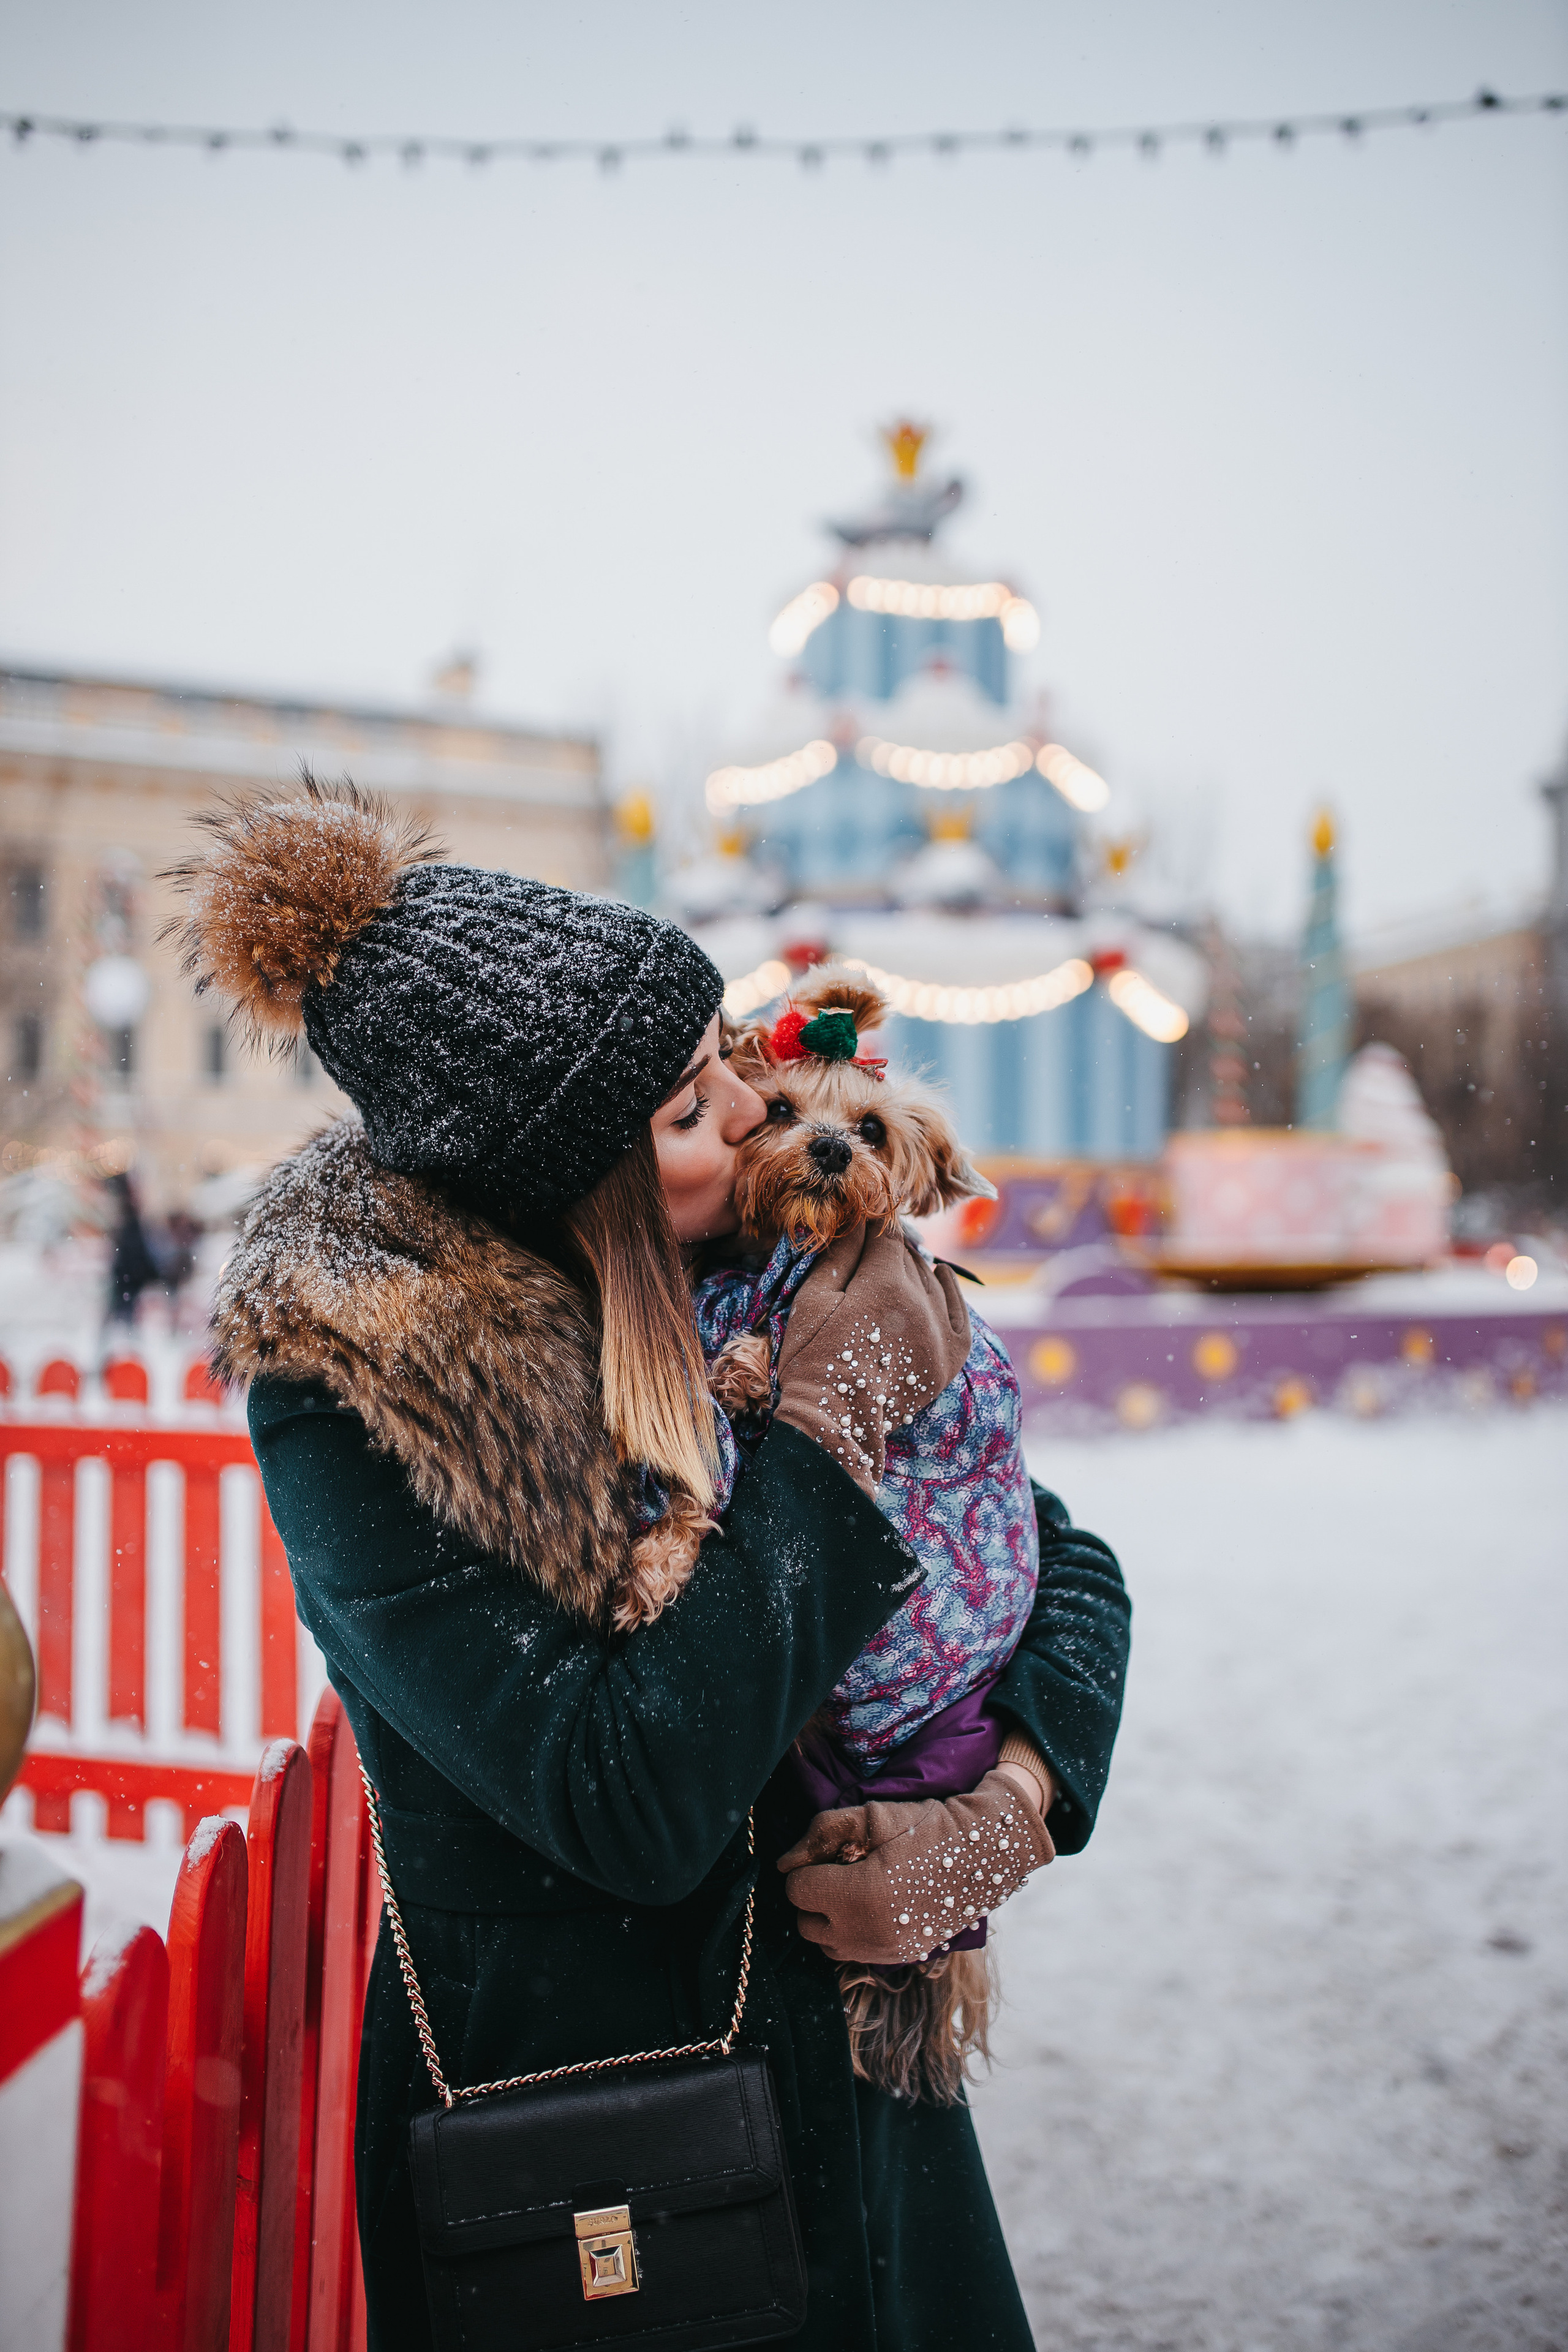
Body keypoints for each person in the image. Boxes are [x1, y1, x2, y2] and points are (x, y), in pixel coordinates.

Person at [169, 779, 1131, 2351]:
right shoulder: (360, 1399)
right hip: (612, 2155)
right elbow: (628, 1799)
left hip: (862, 2095)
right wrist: (821, 1431)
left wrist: (1006, 1814)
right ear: (577, 1189)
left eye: (725, 1061)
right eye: (691, 1110)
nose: (752, 1111)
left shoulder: (747, 1273)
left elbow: (1056, 1556)